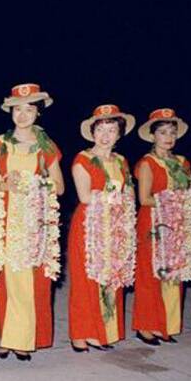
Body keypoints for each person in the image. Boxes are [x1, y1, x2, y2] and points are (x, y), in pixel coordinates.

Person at [0, 83, 64, 359]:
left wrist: (35, 184)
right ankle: (9, 338)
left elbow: (60, 186)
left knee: (31, 280)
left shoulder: (46, 146)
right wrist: (2, 185)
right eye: (17, 110)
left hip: (34, 220)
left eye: (29, 110)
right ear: (10, 112)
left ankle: (23, 338)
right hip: (5, 218)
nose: (22, 115)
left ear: (38, 113)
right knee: (8, 279)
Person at [67, 104, 136, 352]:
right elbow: (85, 196)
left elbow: (128, 192)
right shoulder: (83, 159)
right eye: (101, 130)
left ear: (119, 134)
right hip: (90, 225)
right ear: (92, 132)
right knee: (86, 280)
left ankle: (104, 331)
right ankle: (81, 333)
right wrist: (113, 197)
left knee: (111, 277)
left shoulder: (121, 161)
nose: (106, 135)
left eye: (112, 129)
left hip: (115, 225)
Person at [133, 108, 191, 344]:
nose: (168, 137)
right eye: (162, 132)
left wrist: (186, 205)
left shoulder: (183, 162)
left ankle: (168, 325)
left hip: (178, 222)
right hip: (154, 221)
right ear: (153, 136)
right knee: (151, 274)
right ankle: (146, 326)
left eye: (172, 132)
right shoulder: (147, 163)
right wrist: (173, 202)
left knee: (174, 272)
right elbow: (144, 199)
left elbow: (190, 193)